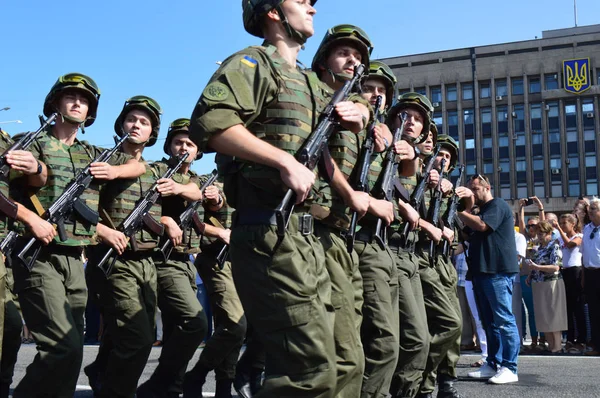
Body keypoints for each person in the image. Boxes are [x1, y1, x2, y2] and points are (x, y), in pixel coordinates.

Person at [188, 1, 367, 394]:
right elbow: (211, 123)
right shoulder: (253, 63)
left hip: (305, 236)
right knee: (307, 372)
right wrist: (282, 160)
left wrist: (362, 114)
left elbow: (350, 109)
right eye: (301, 1)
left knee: (342, 362)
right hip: (268, 228)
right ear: (272, 11)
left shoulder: (307, 82)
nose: (312, 9)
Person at [9, 74, 145, 398]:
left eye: (84, 100)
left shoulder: (92, 153)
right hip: (38, 254)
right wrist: (30, 212)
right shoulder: (31, 143)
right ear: (55, 102)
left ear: (90, 112)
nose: (77, 103)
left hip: (75, 258)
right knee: (62, 347)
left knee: (72, 354)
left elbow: (138, 167)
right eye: (70, 96)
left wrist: (112, 171)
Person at [85, 95, 170, 398]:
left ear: (152, 133)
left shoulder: (157, 169)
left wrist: (170, 221)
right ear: (121, 123)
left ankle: (100, 372)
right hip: (113, 260)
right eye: (131, 119)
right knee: (137, 338)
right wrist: (103, 230)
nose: (136, 125)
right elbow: (75, 204)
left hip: (147, 262)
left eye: (144, 122)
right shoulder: (100, 157)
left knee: (132, 334)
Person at [138, 117, 209, 398]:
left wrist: (181, 190)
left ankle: (171, 388)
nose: (183, 147)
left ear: (198, 151)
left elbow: (197, 193)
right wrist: (165, 218)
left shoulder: (198, 181)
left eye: (190, 144)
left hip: (184, 261)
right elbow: (136, 204)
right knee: (195, 322)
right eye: (178, 142)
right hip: (160, 259)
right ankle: (159, 383)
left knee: (175, 329)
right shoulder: (155, 170)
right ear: (168, 145)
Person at [386, 93, 432, 398]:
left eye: (417, 119)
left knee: (417, 338)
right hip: (385, 250)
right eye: (405, 116)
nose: (411, 122)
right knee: (396, 341)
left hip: (411, 254)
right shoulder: (379, 146)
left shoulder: (414, 161)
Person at [456, 174, 520, 384]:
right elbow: (464, 235)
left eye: (475, 189)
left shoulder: (497, 205)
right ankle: (492, 363)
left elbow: (482, 226)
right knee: (488, 322)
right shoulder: (478, 211)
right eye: (470, 190)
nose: (473, 193)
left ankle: (510, 367)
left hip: (497, 271)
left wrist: (461, 211)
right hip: (481, 272)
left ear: (487, 187)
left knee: (503, 320)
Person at [525, 221, 567, 354]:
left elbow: (555, 267)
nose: (539, 236)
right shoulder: (540, 247)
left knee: (553, 313)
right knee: (543, 314)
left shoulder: (554, 245)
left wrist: (537, 268)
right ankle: (550, 345)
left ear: (549, 233)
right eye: (538, 233)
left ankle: (557, 346)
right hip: (539, 283)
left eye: (542, 233)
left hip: (552, 283)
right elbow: (536, 263)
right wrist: (531, 274)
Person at [555, 213, 586, 353]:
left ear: (572, 224)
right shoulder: (561, 238)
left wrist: (559, 230)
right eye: (560, 223)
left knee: (578, 307)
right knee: (567, 308)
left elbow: (570, 244)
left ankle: (582, 339)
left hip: (576, 271)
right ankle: (570, 338)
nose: (561, 226)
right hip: (565, 271)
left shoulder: (579, 236)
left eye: (564, 223)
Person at [580, 198, 600, 356]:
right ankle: (595, 345)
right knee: (593, 311)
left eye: (594, 208)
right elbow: (583, 254)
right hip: (590, 273)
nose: (591, 211)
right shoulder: (586, 229)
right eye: (590, 208)